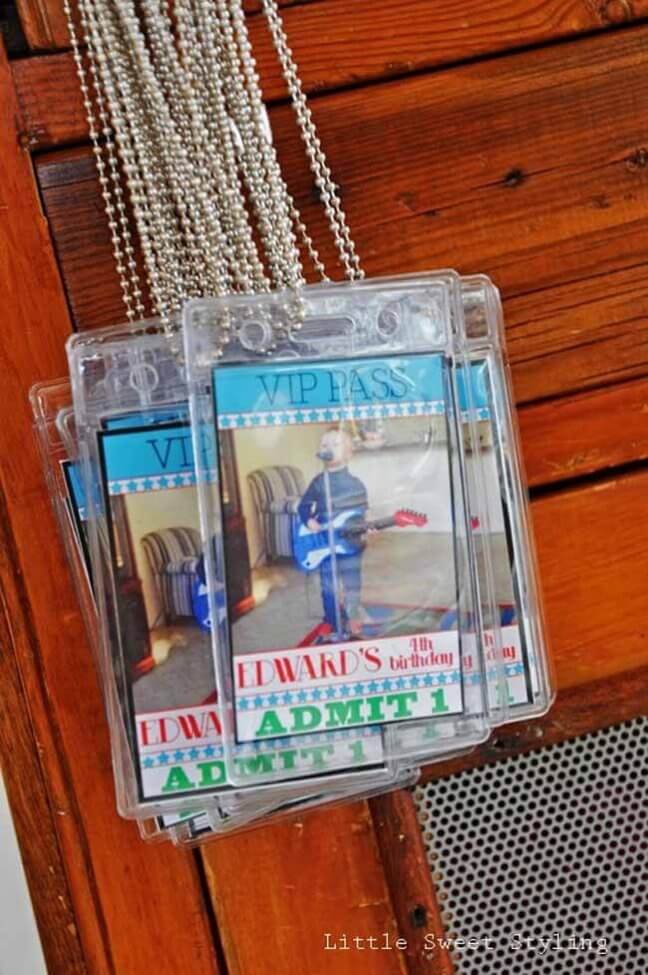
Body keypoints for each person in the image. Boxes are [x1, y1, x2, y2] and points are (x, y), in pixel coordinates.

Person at [297, 427, 369, 638]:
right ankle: (332, 620)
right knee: (328, 585)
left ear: (349, 452)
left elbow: (363, 515)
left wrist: (367, 528)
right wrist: (308, 520)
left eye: (335, 444)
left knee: (352, 582)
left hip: (350, 544)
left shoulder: (357, 485)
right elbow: (303, 506)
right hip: (324, 544)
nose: (328, 448)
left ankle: (353, 615)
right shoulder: (319, 482)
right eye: (324, 444)